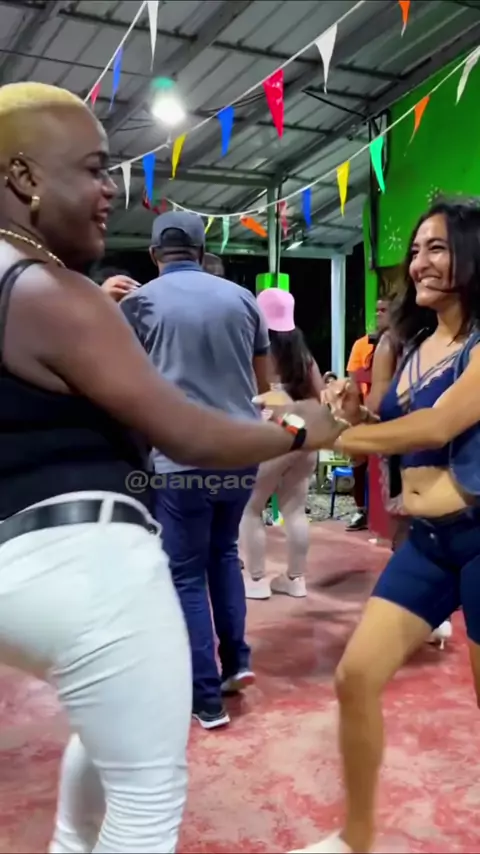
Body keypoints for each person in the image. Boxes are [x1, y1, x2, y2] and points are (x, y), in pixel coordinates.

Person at [0, 81, 346, 853]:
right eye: (94, 169)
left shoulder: (121, 300)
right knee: (148, 798)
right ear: (23, 176)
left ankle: (206, 692)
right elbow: (197, 426)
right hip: (99, 558)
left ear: (162, 252)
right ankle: (228, 670)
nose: (110, 192)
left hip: (34, 551)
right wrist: (303, 430)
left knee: (179, 601)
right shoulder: (65, 293)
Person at [290, 198, 480, 854]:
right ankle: (356, 839)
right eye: (416, 250)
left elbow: (437, 425)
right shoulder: (418, 346)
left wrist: (331, 439)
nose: (419, 263)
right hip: (428, 543)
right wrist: (349, 414)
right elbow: (386, 425)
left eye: (437, 248)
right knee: (355, 677)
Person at [120, 211, 279, 730]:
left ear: (154, 255)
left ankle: (205, 698)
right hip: (239, 451)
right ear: (202, 250)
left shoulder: (138, 304)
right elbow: (265, 386)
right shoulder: (243, 300)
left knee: (186, 572)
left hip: (179, 458)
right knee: (224, 554)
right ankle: (237, 663)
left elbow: (123, 384)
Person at [240, 289, 323, 599]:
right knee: (295, 509)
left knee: (251, 507)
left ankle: (256, 580)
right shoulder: (303, 355)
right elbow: (318, 398)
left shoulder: (254, 350)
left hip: (271, 431)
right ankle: (295, 579)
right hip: (305, 435)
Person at [344, 299, 391, 532]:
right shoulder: (362, 345)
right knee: (358, 459)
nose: (379, 314)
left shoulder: (404, 343)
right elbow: (354, 380)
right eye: (377, 310)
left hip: (390, 414)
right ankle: (361, 510)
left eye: (384, 310)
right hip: (365, 412)